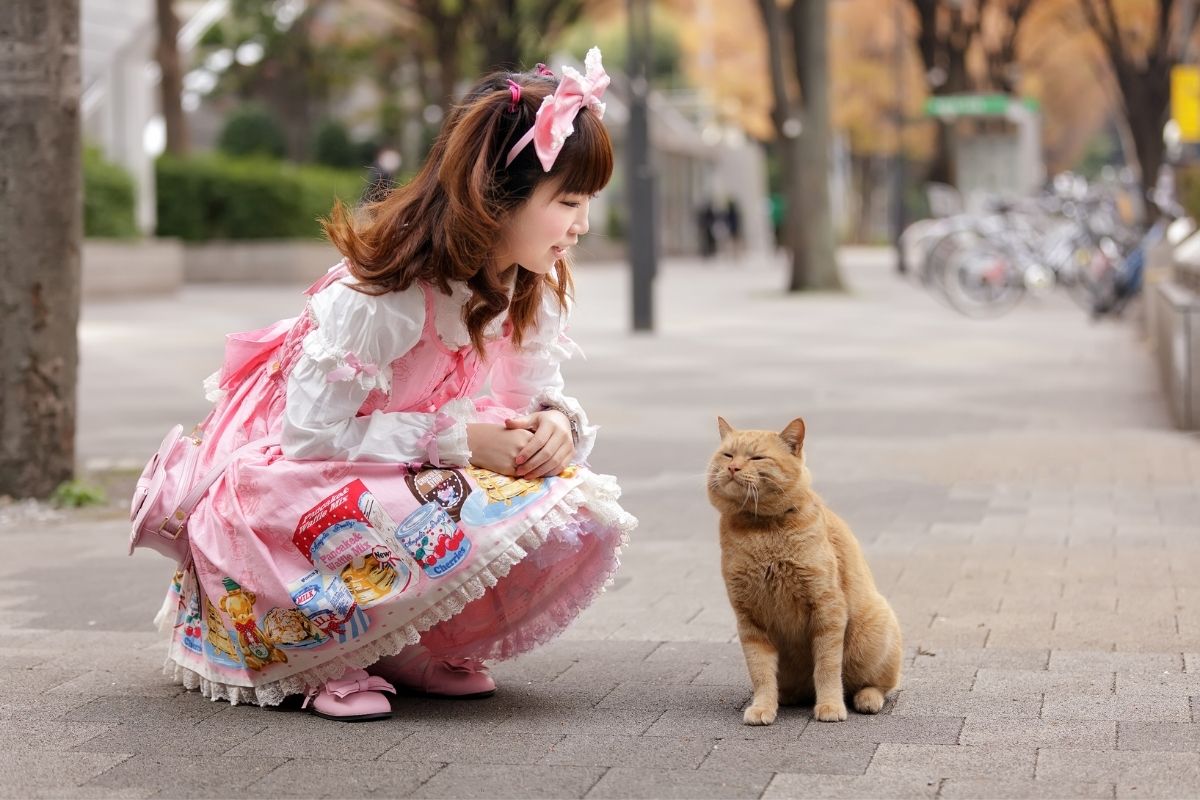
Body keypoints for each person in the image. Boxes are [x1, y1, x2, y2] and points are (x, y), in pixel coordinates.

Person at [154, 48, 637, 722]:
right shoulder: (387, 294)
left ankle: (406, 644)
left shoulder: (529, 284)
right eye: (569, 202)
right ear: (499, 196)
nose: (582, 225)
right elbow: (309, 435)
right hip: (300, 476)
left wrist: (555, 423)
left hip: (401, 460)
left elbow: (528, 399)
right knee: (361, 503)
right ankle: (317, 652)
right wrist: (460, 439)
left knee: (563, 497)